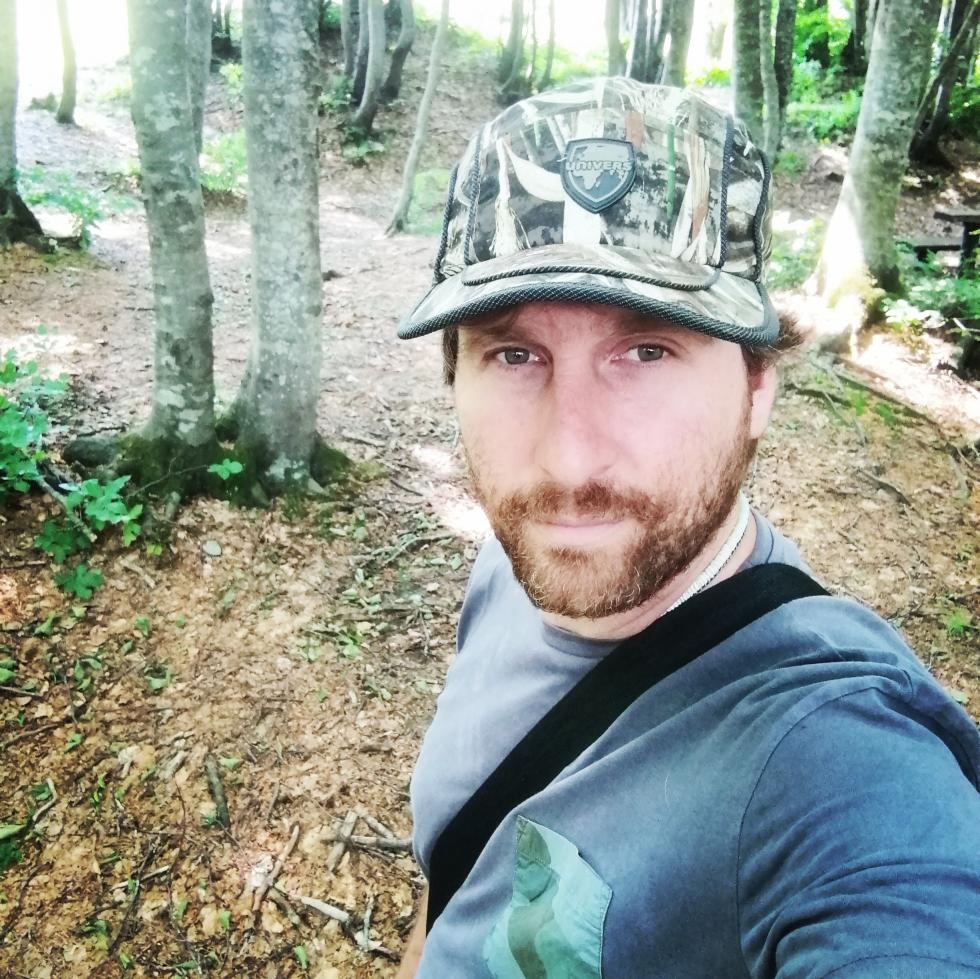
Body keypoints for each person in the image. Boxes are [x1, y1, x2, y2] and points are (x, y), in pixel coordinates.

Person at [393, 78, 980, 978]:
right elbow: (463, 881)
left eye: (646, 349)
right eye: (514, 353)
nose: (568, 462)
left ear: (757, 388)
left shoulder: (838, 763)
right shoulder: (514, 562)